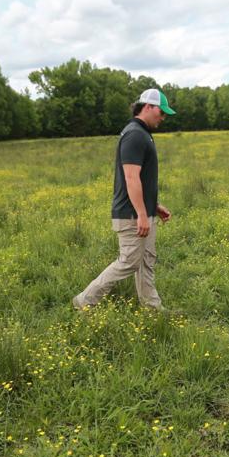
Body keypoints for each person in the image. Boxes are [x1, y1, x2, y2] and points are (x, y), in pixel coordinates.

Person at [73, 87, 175, 310]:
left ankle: (152, 309)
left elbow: (142, 178)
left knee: (146, 262)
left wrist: (153, 206)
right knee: (128, 262)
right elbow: (131, 177)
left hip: (142, 212)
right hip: (132, 215)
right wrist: (141, 214)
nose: (163, 117)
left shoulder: (142, 133)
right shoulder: (135, 134)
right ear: (148, 107)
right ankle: (84, 301)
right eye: (161, 112)